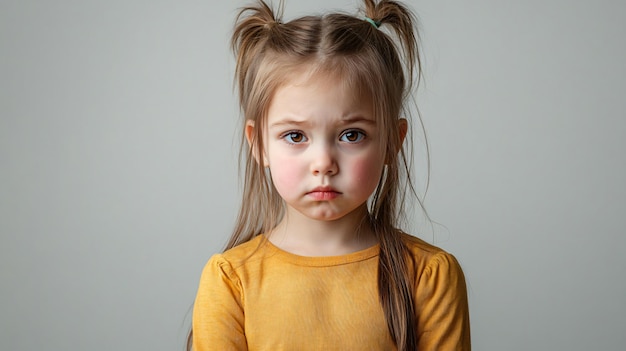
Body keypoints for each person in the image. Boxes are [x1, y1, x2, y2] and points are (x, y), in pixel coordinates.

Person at [189, 0, 470, 350]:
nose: (323, 162)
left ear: (391, 143)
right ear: (258, 143)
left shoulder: (430, 276)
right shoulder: (230, 281)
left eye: (351, 135)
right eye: (295, 136)